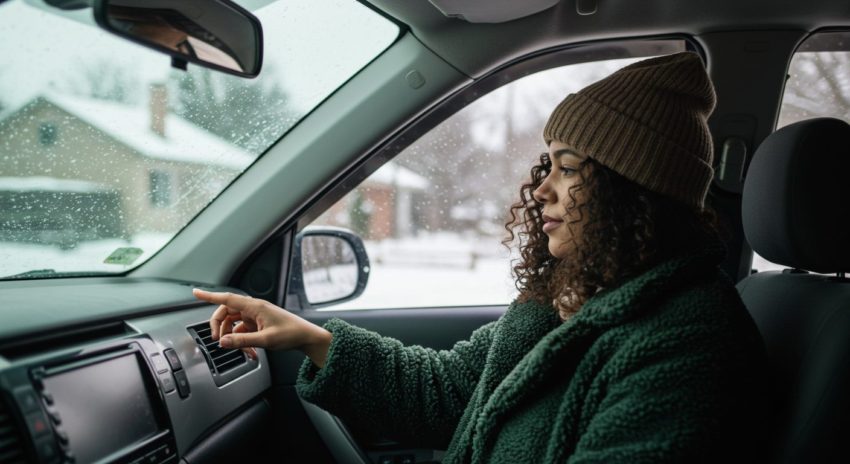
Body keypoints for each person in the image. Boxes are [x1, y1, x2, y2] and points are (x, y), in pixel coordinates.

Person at [192, 52, 770, 463]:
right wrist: (309, 338)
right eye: (548, 167)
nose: (542, 190)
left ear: (633, 193)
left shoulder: (687, 345)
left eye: (569, 170)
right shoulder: (568, 300)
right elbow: (451, 392)